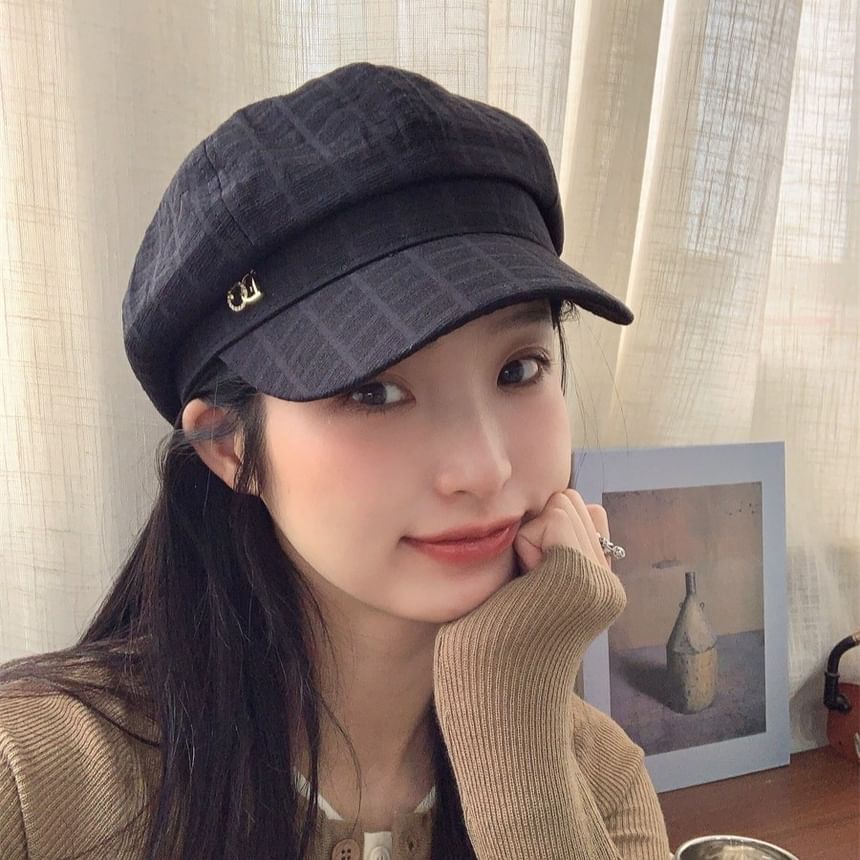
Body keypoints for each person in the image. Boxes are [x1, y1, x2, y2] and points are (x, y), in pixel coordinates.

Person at [0, 62, 671, 860]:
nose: (484, 469)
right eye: (375, 392)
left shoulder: (601, 778)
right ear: (229, 446)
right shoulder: (34, 783)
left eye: (518, 370)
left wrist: (515, 734)